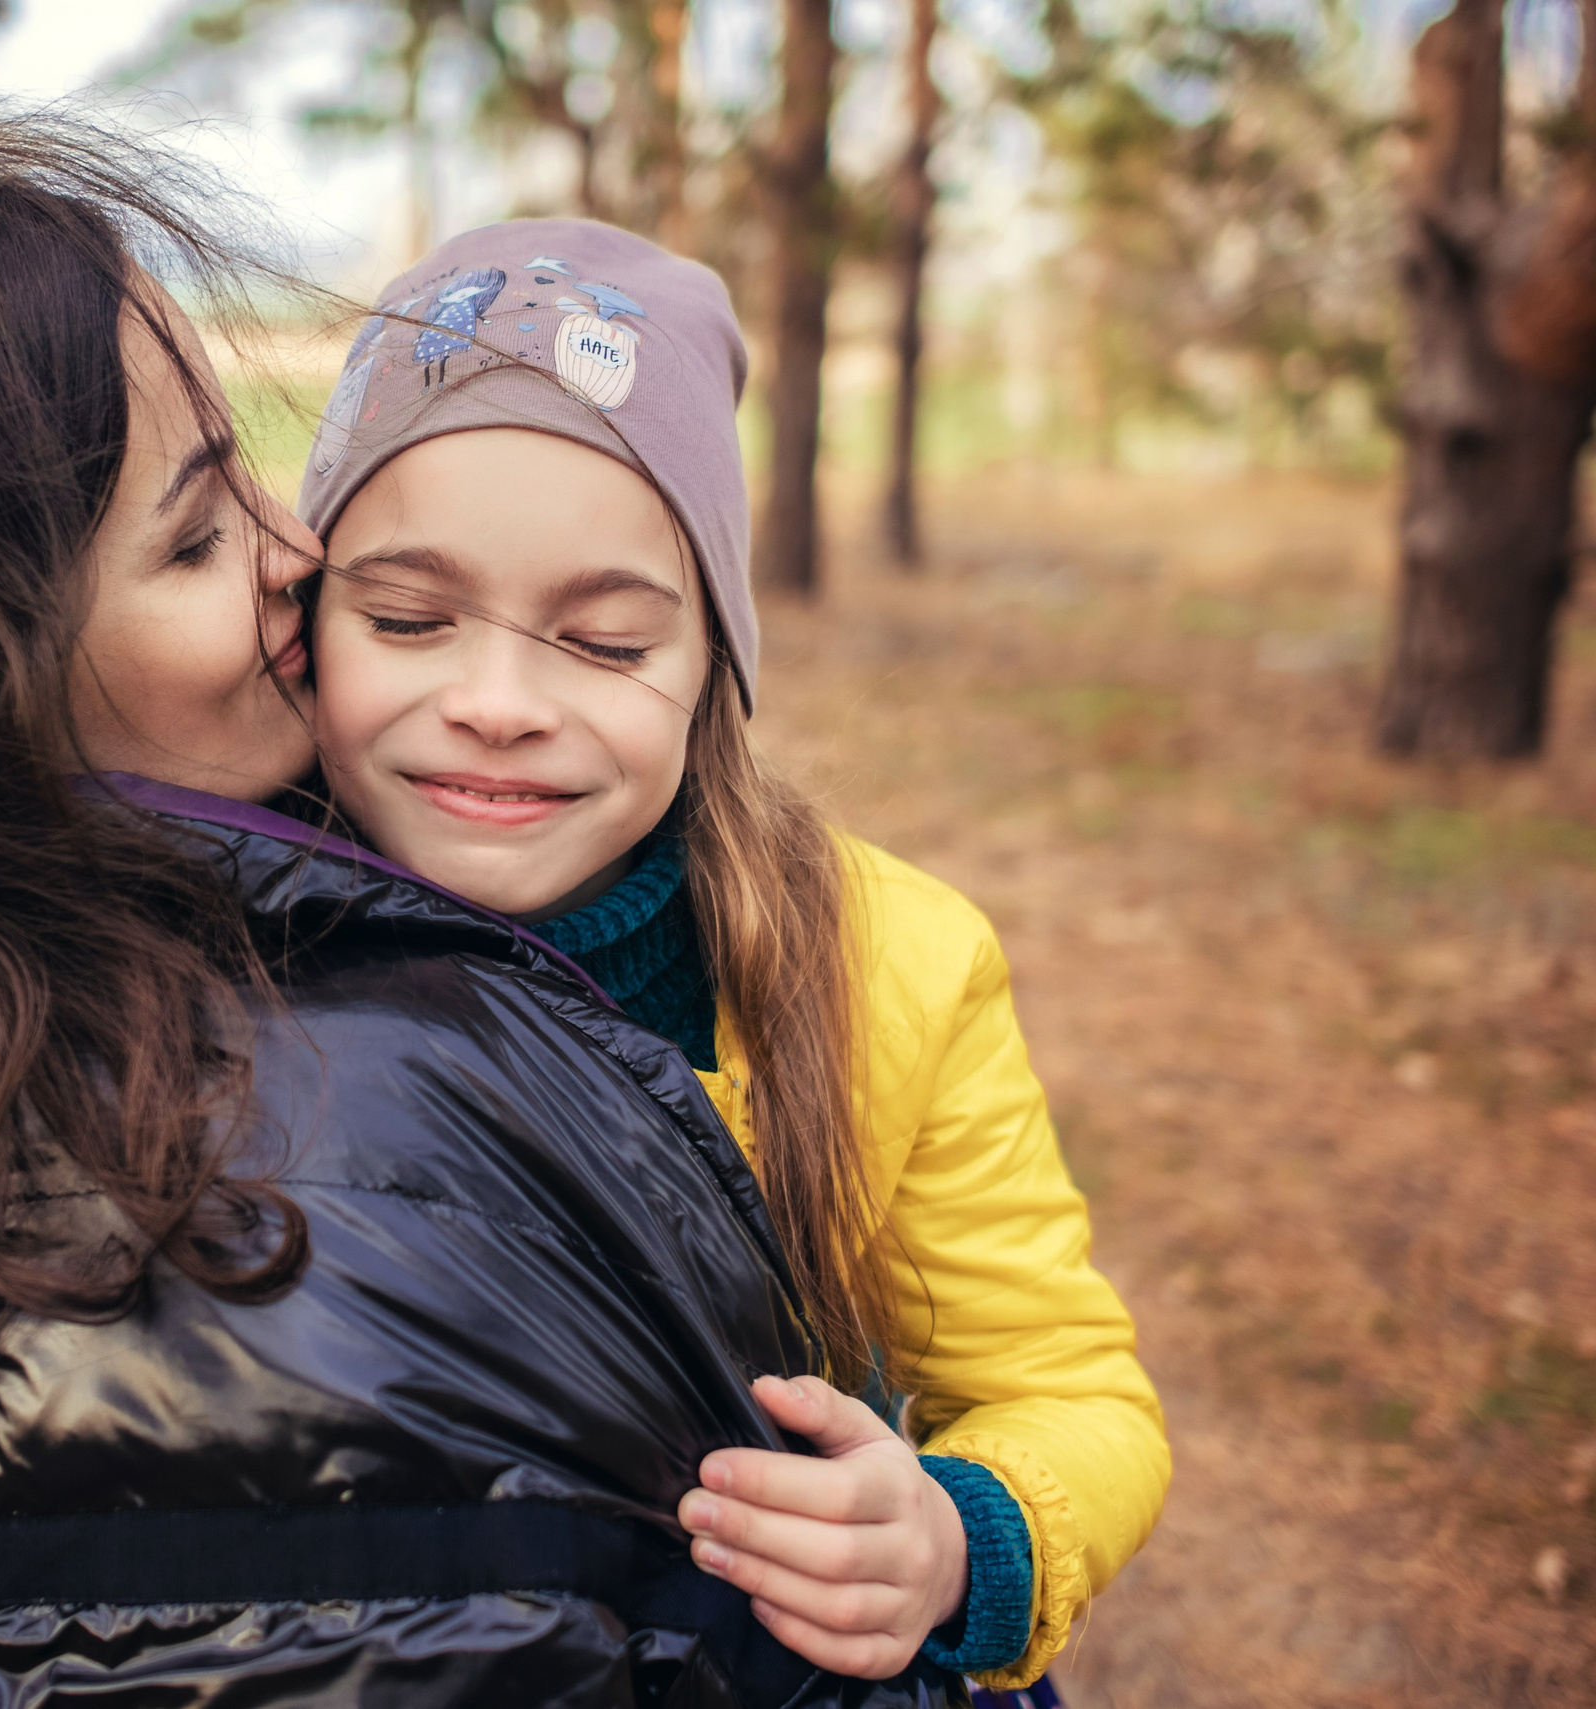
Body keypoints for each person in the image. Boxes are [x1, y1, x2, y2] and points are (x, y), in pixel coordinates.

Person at [0, 124, 967, 1708]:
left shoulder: (378, 864)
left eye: (250, 472)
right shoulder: (398, 1019)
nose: (303, 550)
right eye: (196, 531)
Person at [291, 221, 1169, 1690]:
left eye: (606, 642)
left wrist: (959, 1537)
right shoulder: (198, 933)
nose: (498, 701)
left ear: (714, 668)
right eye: (408, 619)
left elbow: (1065, 1386)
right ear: (308, 620)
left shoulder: (883, 970)